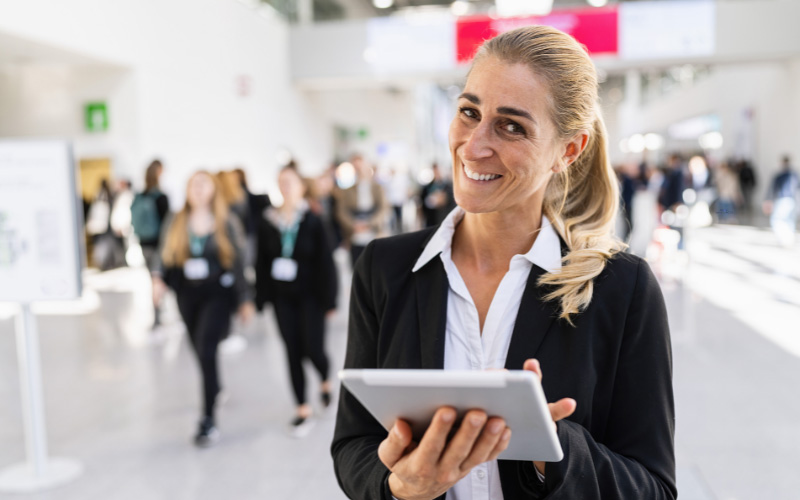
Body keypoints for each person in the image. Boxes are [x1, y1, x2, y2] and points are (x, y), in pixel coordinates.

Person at [332, 26, 675, 500]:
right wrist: (399, 487)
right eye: (469, 112)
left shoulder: (621, 288)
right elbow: (354, 444)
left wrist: (552, 450)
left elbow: (653, 488)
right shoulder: (385, 269)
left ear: (568, 150)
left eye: (512, 126)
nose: (474, 145)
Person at [153, 171, 254, 447]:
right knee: (198, 348)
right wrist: (157, 281)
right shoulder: (177, 220)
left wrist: (245, 299)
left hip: (217, 293)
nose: (197, 190)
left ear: (213, 189)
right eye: (193, 185)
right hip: (187, 293)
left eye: (203, 184)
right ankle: (215, 386)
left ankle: (207, 419)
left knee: (207, 348)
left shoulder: (225, 221)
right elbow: (164, 253)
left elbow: (239, 263)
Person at [255, 166, 338, 437]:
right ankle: (302, 407)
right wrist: (261, 297)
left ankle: (325, 379)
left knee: (313, 348)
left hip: (311, 296)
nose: (286, 187)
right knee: (291, 350)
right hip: (282, 298)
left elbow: (326, 262)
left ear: (301, 186)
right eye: (281, 182)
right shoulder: (268, 221)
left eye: (290, 182)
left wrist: (330, 300)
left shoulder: (313, 220)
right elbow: (262, 262)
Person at [133, 160, 170, 328]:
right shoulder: (161, 198)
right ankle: (159, 316)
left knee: (153, 280)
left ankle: (158, 316)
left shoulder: (139, 196)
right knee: (163, 279)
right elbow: (168, 225)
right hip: (159, 245)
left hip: (144, 243)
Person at [335, 154, 389, 266]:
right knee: (357, 264)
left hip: (374, 230)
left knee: (375, 265)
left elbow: (383, 208)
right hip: (354, 232)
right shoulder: (347, 190)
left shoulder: (377, 188)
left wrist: (370, 223)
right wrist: (353, 225)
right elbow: (341, 211)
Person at [764, 155, 799, 247]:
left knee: (777, 219)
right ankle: (789, 238)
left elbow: (772, 188)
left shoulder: (781, 175)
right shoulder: (794, 175)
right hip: (791, 200)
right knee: (789, 220)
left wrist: (768, 200)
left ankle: (784, 239)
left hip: (783, 199)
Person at [420, 163, 456, 228]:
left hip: (443, 219)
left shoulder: (448, 187)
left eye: (438, 171)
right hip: (431, 220)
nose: (437, 173)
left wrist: (444, 199)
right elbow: (422, 202)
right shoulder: (427, 187)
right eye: (434, 171)